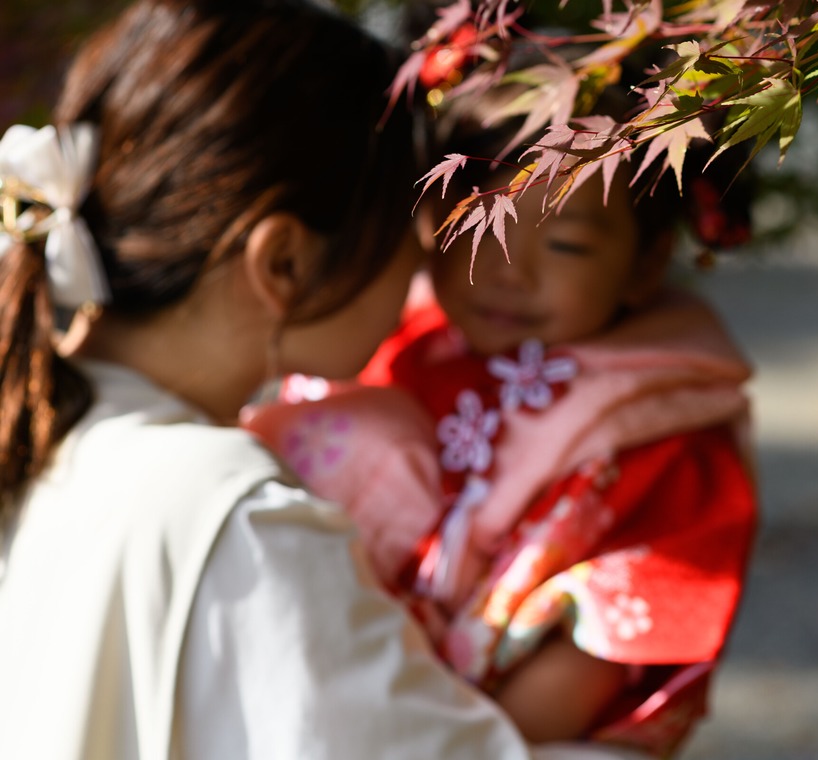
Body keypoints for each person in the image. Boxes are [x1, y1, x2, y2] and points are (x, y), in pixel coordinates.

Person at [0, 2, 647, 758]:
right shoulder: (237, 517)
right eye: (413, 222)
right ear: (283, 263)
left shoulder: (43, 416)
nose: (425, 262)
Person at [247, 81, 760, 757]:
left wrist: (477, 743)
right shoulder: (396, 341)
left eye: (568, 246)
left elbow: (610, 640)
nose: (509, 272)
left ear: (646, 263)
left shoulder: (657, 420)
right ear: (431, 219)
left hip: (517, 728)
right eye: (481, 225)